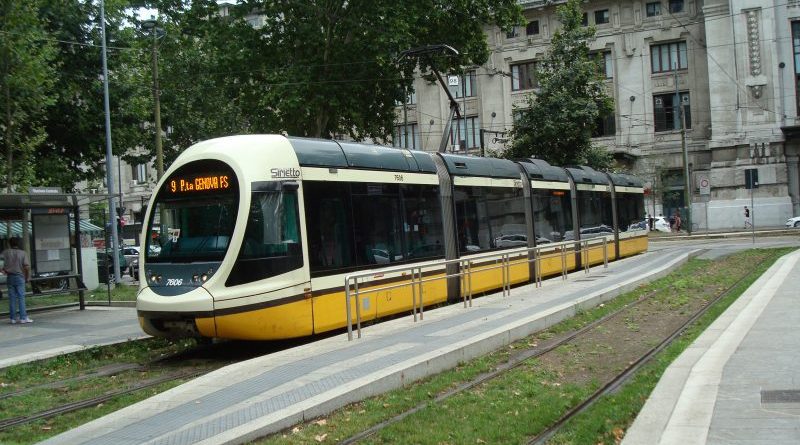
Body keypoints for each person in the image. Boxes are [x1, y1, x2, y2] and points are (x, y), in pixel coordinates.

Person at [2, 238, 32, 324]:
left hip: (10, 277)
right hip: (20, 277)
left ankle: (13, 318)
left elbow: (0, 263)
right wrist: (27, 277)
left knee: (12, 298)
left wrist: (3, 270)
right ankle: (23, 318)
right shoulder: (23, 253)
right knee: (21, 298)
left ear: (9, 244)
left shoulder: (5, 252)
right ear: (18, 244)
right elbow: (26, 267)